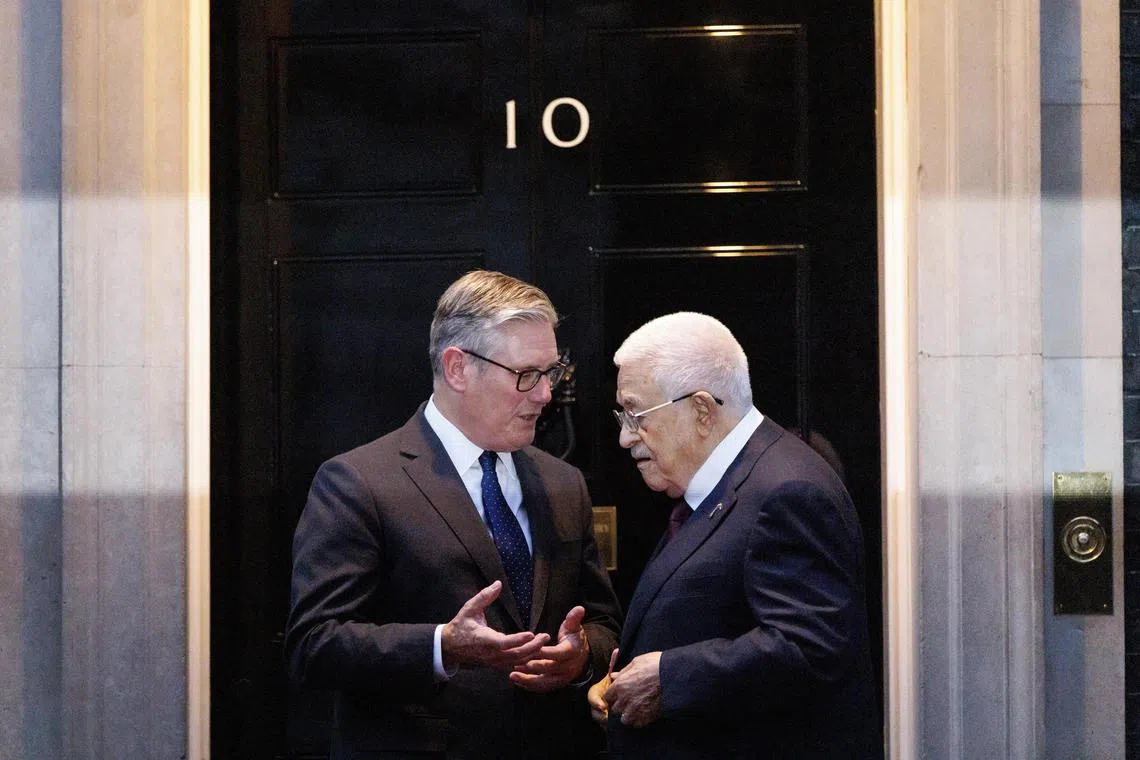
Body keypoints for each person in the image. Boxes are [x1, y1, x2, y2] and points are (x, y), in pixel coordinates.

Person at [286, 270, 622, 759]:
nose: (545, 395)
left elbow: (604, 619)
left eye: (551, 373)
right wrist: (443, 645)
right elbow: (315, 645)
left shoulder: (563, 482)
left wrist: (581, 656)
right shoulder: (358, 482)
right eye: (526, 374)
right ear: (458, 368)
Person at [588, 312, 880, 759]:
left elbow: (810, 647)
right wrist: (628, 681)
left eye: (636, 415)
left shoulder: (787, 490)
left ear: (701, 410)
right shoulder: (725, 484)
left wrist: (667, 678)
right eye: (622, 416)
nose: (626, 438)